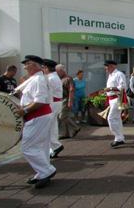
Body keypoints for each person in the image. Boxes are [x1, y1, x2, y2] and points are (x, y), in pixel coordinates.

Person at [17, 55, 56, 189]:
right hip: (39, 116)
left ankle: (46, 171)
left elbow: (40, 101)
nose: (25, 66)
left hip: (38, 116)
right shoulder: (34, 79)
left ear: (34, 65)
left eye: (27, 63)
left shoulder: (38, 79)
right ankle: (42, 173)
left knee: (26, 147)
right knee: (41, 146)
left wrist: (24, 110)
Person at [42, 59, 64, 159]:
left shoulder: (50, 78)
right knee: (53, 126)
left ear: (46, 68)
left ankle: (55, 146)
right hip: (56, 102)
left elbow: (47, 93)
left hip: (53, 103)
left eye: (43, 68)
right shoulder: (54, 77)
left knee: (48, 126)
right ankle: (55, 146)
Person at [103, 60, 127, 148]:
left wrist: (110, 89)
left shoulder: (119, 74)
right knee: (116, 118)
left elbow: (123, 87)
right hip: (112, 98)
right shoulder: (111, 75)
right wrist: (107, 92)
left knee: (111, 118)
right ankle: (120, 137)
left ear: (112, 66)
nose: (105, 68)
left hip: (117, 99)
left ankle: (118, 137)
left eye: (107, 66)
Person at [56, 64, 80, 139]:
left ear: (62, 71)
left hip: (66, 99)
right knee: (63, 117)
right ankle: (65, 133)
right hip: (60, 99)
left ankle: (75, 127)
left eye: (58, 71)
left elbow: (71, 90)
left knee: (62, 116)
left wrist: (70, 100)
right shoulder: (59, 79)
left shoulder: (68, 78)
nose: (57, 73)